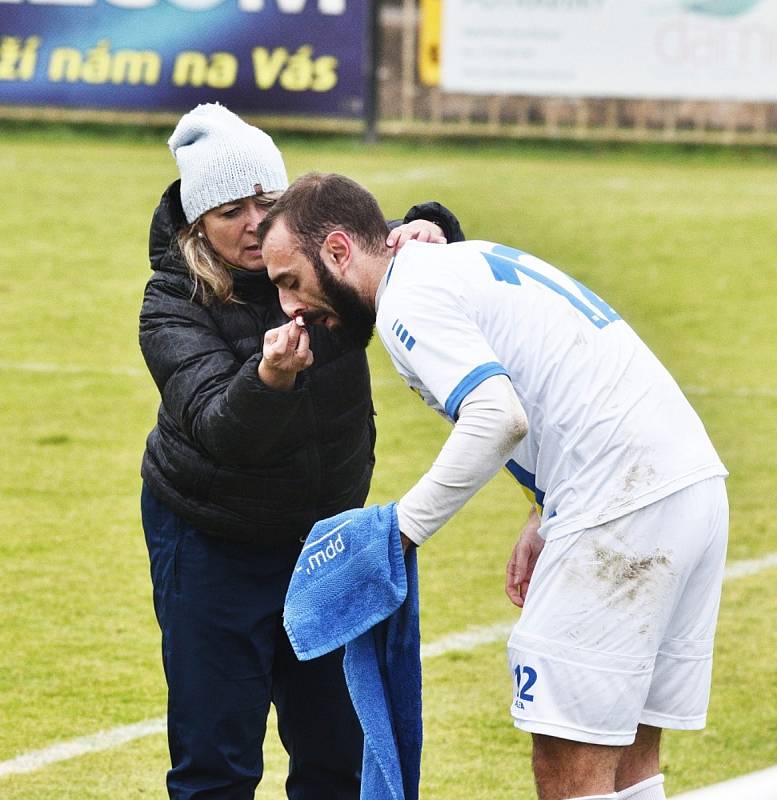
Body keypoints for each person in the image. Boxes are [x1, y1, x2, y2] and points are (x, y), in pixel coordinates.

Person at [255, 172, 730, 800]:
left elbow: (498, 415)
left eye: (291, 280)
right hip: (689, 485)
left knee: (569, 759)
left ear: (339, 250)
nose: (290, 306)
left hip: (620, 503)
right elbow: (554, 371)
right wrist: (544, 509)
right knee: (630, 753)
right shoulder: (446, 263)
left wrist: (399, 531)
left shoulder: (406, 297)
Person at [138, 104, 465, 800]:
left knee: (334, 756)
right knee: (215, 762)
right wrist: (269, 378)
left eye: (267, 200)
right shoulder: (170, 303)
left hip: (325, 542)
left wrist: (433, 226)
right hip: (211, 539)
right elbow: (219, 428)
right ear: (198, 225)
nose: (255, 222)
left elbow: (406, 272)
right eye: (231, 210)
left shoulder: (328, 266)